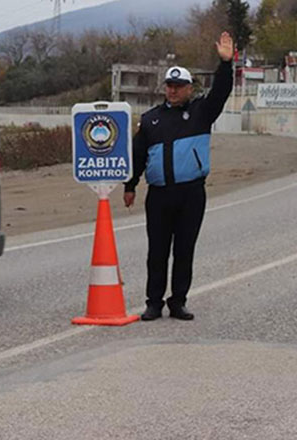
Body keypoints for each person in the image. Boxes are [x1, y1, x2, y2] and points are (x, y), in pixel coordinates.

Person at [123, 31, 235, 321]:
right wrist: (130, 185)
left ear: (189, 88)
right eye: (169, 86)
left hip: (191, 194)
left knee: (184, 250)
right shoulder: (151, 119)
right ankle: (153, 302)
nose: (173, 91)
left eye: (178, 86)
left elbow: (221, 91)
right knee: (157, 251)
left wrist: (225, 64)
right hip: (159, 196)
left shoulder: (202, 112)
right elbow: (138, 155)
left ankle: (178, 302)